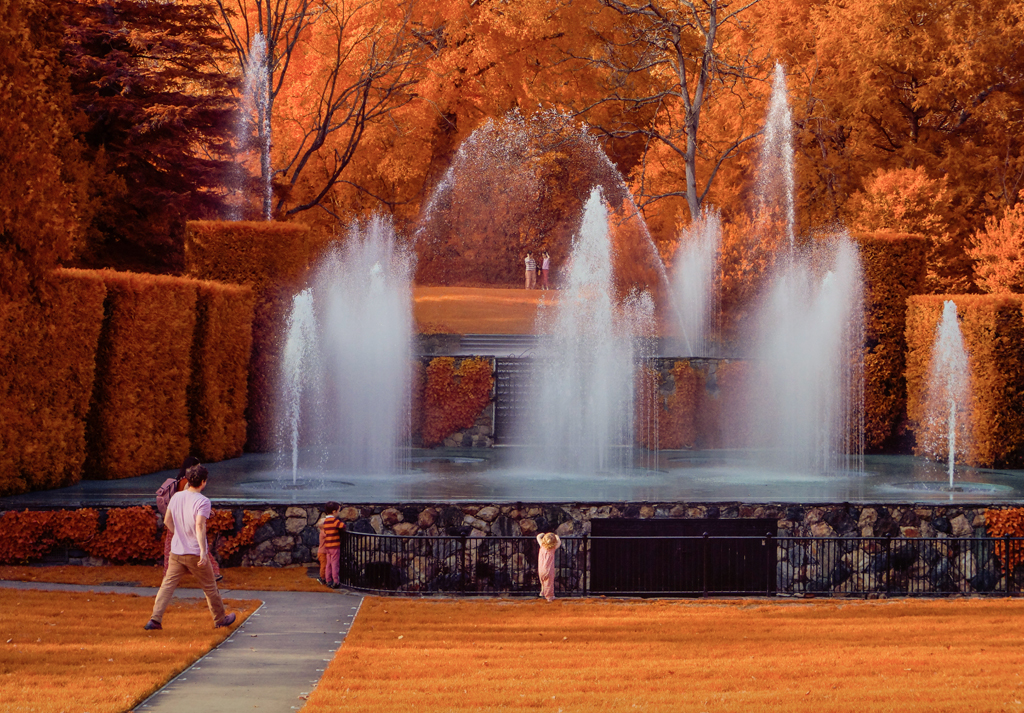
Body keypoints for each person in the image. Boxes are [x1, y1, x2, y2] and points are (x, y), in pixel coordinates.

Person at [144, 465, 236, 630]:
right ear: (203, 482)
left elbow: (167, 521)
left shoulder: (177, 497)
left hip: (177, 551)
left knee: (167, 585)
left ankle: (155, 619)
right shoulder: (203, 501)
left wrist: (180, 533)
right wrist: (203, 551)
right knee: (210, 587)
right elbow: (199, 526)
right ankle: (220, 619)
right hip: (194, 552)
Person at [159, 456, 221, 581]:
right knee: (199, 547)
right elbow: (191, 501)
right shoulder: (186, 483)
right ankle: (212, 573)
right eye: (197, 467)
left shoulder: (180, 480)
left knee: (172, 551)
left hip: (177, 520)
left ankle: (169, 576)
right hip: (186, 522)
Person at [321, 502, 344, 588]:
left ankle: (328, 580)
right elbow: (342, 526)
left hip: (328, 546)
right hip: (335, 546)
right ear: (334, 512)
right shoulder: (334, 521)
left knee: (328, 564)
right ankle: (336, 581)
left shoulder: (326, 521)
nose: (339, 513)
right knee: (335, 564)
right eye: (339, 511)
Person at [536, 532, 561, 602]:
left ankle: (542, 592)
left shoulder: (542, 545)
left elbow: (538, 537)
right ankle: (549, 597)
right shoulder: (553, 548)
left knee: (543, 581)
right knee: (549, 583)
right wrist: (557, 536)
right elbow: (559, 542)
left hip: (541, 568)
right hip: (549, 569)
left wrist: (542, 534)